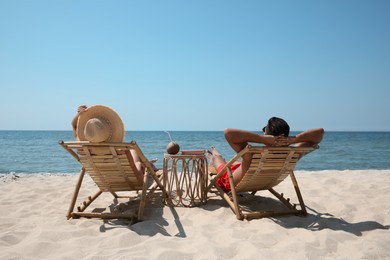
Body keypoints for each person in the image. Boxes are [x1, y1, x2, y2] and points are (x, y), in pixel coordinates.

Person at [208, 117, 324, 192]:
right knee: (236, 164)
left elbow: (228, 132)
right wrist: (293, 140)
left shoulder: (252, 155)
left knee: (221, 163)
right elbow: (319, 133)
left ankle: (213, 154)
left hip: (230, 183)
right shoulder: (293, 154)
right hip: (264, 182)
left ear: (267, 135)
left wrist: (262, 139)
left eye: (264, 130)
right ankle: (215, 155)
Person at [71, 104, 158, 185]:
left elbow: (74, 126)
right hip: (129, 180)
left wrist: (79, 115)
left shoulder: (81, 148)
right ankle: (149, 166)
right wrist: (139, 164)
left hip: (105, 181)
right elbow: (139, 179)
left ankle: (149, 165)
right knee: (133, 151)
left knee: (133, 154)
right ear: (109, 130)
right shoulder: (118, 151)